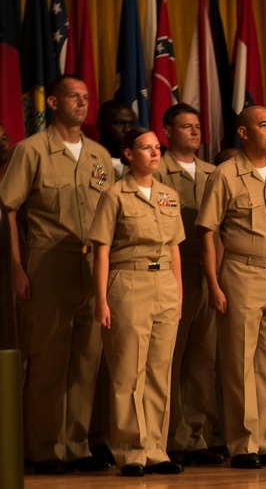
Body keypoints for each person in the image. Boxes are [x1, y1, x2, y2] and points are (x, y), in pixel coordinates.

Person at [0, 75, 114, 474]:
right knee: (48, 359)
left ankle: (76, 445)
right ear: (52, 102)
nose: (82, 103)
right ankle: (43, 449)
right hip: (49, 263)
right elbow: (8, 210)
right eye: (73, 97)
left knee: (86, 359)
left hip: (91, 266)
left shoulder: (99, 156)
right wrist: (16, 267)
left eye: (86, 98)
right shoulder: (31, 151)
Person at [196, 106, 266, 468]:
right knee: (239, 361)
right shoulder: (226, 174)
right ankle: (243, 444)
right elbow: (208, 231)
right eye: (263, 125)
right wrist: (214, 283)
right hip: (241, 272)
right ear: (243, 133)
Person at [90, 127, 185, 476]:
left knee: (159, 372)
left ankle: (156, 449)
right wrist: (101, 299)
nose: (155, 153)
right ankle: (130, 450)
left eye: (158, 148)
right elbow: (101, 249)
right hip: (128, 281)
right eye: (146, 148)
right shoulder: (115, 195)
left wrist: (178, 294)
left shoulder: (168, 195)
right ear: (128, 154)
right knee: (129, 372)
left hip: (164, 284)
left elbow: (174, 247)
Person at [154, 104, 225, 466]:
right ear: (167, 132)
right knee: (171, 358)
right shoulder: (157, 171)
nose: (195, 132)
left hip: (208, 273)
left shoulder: (214, 173)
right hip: (170, 272)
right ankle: (167, 436)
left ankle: (195, 436)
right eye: (186, 127)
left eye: (198, 127)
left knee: (203, 359)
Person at [96, 100, 136, 179]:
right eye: (120, 123)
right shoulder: (89, 161)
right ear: (101, 127)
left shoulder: (137, 162)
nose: (127, 129)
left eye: (131, 124)